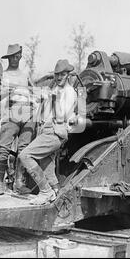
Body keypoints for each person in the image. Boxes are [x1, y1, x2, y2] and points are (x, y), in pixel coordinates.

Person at [18, 59, 79, 205]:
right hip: (46, 130)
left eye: (62, 75)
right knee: (46, 165)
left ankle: (46, 191)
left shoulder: (70, 93)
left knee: (25, 155)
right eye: (57, 75)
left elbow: (62, 114)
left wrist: (50, 98)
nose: (59, 78)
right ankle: (57, 193)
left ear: (68, 75)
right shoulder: (57, 90)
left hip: (55, 131)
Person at [0, 44, 38, 195]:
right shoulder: (3, 75)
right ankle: (0, 183)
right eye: (11, 56)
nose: (14, 59)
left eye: (16, 56)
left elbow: (35, 91)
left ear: (20, 56)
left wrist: (35, 96)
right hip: (11, 113)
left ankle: (19, 183)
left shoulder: (25, 74)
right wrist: (5, 91)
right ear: (8, 58)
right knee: (4, 150)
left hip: (28, 114)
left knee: (24, 150)